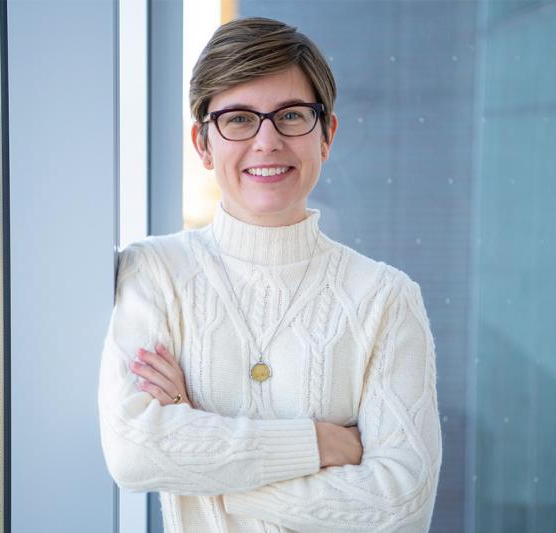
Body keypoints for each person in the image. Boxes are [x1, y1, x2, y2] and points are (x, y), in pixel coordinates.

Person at [98, 16, 441, 532]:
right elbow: (132, 452)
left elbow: (401, 506)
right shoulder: (154, 272)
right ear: (202, 143)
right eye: (238, 119)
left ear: (326, 135)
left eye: (292, 116)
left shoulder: (385, 298)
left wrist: (203, 447)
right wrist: (321, 444)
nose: (267, 141)